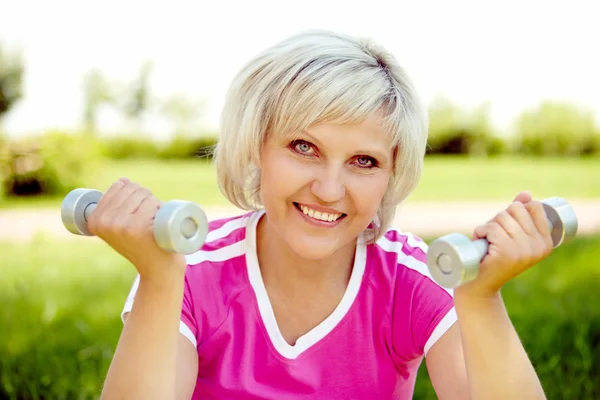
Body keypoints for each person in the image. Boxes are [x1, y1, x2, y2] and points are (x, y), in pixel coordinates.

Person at [92, 30, 551, 399]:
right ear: (258, 145)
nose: (330, 190)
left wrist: (481, 298)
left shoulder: (407, 279)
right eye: (304, 147)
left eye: (364, 161)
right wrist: (157, 279)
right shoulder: (190, 272)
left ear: (391, 175)